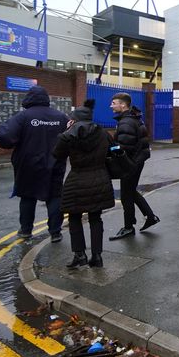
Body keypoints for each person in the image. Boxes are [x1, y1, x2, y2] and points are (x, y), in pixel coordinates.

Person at [0, 85, 67, 242]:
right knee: (54, 196)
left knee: (27, 196)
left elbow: (5, 138)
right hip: (55, 162)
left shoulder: (23, 117)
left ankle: (26, 230)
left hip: (28, 164)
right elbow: (72, 136)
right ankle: (55, 232)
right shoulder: (61, 117)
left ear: (29, 99)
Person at [53, 99, 115, 268]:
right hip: (100, 177)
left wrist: (68, 131)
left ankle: (79, 255)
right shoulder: (103, 133)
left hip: (77, 179)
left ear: (75, 119)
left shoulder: (69, 134)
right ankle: (97, 257)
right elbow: (114, 150)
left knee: (74, 217)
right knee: (96, 218)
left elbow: (57, 154)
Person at [108, 92, 160, 240]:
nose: (111, 106)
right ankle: (150, 217)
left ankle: (128, 227)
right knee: (130, 192)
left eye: (114, 103)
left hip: (131, 163)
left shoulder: (126, 122)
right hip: (136, 161)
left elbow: (123, 147)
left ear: (123, 105)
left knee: (126, 195)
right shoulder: (132, 118)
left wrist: (111, 149)